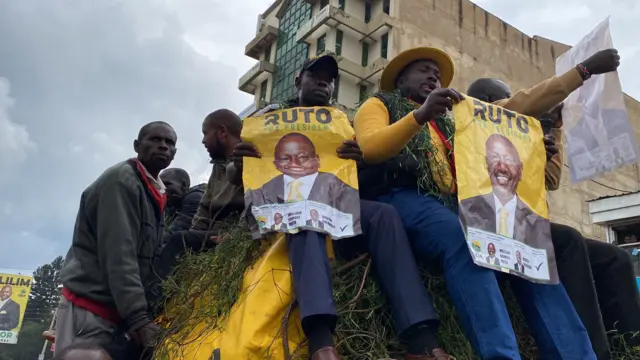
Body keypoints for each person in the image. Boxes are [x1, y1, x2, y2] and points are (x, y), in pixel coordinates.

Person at [352, 46, 620, 359]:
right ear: (399, 79)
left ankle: (575, 354)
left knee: (527, 247)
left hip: (457, 201)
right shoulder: (378, 104)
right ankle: (501, 354)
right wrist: (420, 115)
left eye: (436, 74)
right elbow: (371, 148)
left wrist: (536, 152)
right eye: (423, 69)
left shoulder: (457, 121)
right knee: (463, 239)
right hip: (405, 196)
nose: (433, 76)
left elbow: (516, 115)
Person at [231, 54, 451, 360]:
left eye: (329, 78)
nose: (324, 82)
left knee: (384, 215)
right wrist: (238, 162)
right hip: (288, 209)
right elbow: (242, 177)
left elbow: (358, 178)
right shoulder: (267, 118)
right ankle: (321, 341)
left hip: (335, 204)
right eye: (315, 76)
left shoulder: (342, 122)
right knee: (306, 216)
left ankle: (421, 340)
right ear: (298, 81)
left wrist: (357, 159)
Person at [467, 76, 640, 359]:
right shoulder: (472, 130)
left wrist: (552, 132)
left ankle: (631, 345)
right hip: (496, 225)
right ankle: (596, 350)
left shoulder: (518, 135)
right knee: (569, 241)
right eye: (505, 99)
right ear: (488, 101)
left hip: (529, 222)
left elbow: (550, 180)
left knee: (615, 258)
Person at [56, 121, 177, 359]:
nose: (163, 146)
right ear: (136, 145)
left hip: (115, 314)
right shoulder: (121, 181)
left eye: (170, 143)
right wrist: (139, 318)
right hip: (90, 310)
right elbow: (120, 255)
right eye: (155, 139)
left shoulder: (152, 189)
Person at [153, 110, 245, 302]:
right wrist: (193, 240)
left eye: (205, 133)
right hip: (214, 235)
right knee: (182, 242)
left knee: (177, 241)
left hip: (236, 233)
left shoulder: (248, 157)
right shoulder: (218, 168)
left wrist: (237, 235)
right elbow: (203, 212)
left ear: (222, 132)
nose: (203, 141)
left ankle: (151, 305)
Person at [459, 134, 551, 248]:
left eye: (508, 159)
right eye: (495, 158)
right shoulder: (467, 208)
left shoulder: (536, 222)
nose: (502, 167)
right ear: (486, 166)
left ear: (520, 170)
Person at [246, 132, 359, 218]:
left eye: (302, 157)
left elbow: (352, 203)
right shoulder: (263, 191)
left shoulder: (335, 184)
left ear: (317, 160)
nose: (294, 164)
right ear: (276, 164)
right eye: (285, 158)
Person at [161, 168, 205, 234]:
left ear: (184, 185)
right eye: (159, 186)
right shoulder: (171, 207)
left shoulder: (195, 197)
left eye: (167, 184)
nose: (162, 190)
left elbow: (177, 231)